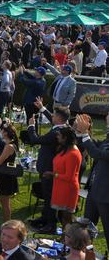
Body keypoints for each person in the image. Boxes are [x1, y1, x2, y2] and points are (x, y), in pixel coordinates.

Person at [24, 105, 70, 234]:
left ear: (59, 118)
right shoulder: (62, 127)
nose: (52, 117)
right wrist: (43, 108)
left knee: (49, 196)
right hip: (47, 167)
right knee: (46, 194)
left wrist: (31, 126)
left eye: (54, 115)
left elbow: (35, 139)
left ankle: (50, 224)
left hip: (49, 169)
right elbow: (53, 119)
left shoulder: (56, 133)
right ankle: (45, 218)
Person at [76, 113, 109, 247]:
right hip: (94, 191)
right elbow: (96, 145)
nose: (107, 117)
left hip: (106, 196)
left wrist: (85, 134)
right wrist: (80, 132)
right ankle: (84, 253)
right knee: (86, 229)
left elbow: (99, 154)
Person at [45, 127, 82, 234]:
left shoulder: (73, 154)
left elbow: (69, 177)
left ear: (65, 138)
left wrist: (53, 174)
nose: (57, 137)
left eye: (59, 136)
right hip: (60, 187)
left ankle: (69, 239)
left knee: (66, 218)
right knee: (62, 217)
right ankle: (65, 239)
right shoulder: (66, 149)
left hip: (68, 190)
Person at [0, 123, 20, 222]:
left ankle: (6, 223)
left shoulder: (8, 146)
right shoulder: (12, 145)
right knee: (4, 201)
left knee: (5, 203)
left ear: (5, 133)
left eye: (2, 130)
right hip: (9, 175)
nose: (1, 132)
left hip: (6, 177)